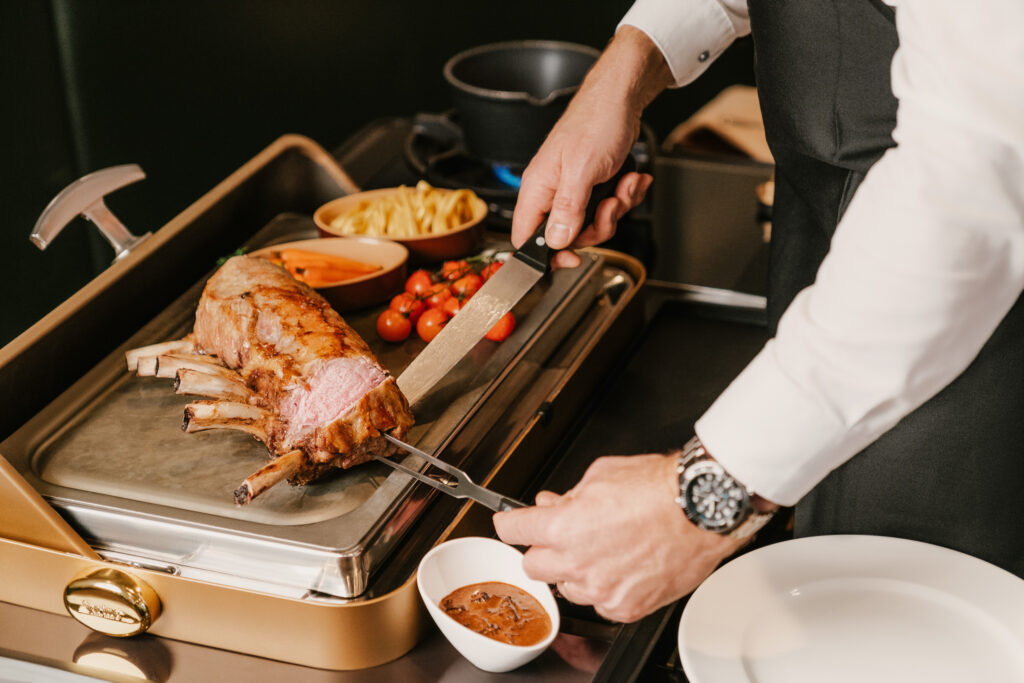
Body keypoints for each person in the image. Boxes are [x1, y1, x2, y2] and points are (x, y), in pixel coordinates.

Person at [493, 0, 1024, 624]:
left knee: (908, 611)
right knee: (827, 568)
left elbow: (974, 175)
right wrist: (631, 62)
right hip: (820, 193)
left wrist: (704, 497)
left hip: (973, 276)